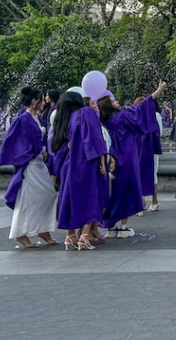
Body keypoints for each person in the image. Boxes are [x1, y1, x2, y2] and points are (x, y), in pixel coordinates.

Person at [96, 81, 166, 238]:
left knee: (113, 192)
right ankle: (123, 226)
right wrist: (158, 90)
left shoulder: (103, 121)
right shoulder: (123, 117)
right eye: (114, 101)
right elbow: (141, 107)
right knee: (127, 190)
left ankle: (110, 226)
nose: (117, 102)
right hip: (127, 157)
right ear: (109, 105)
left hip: (111, 159)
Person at [0, 87, 58, 249]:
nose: (45, 102)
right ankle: (21, 233)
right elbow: (17, 141)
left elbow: (42, 137)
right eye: (42, 99)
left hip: (39, 162)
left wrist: (44, 150)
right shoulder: (23, 119)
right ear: (34, 101)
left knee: (47, 194)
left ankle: (42, 228)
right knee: (28, 197)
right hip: (30, 163)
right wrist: (30, 153)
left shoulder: (38, 118)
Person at [51, 90, 108, 250]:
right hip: (85, 161)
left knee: (70, 198)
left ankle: (70, 236)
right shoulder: (85, 112)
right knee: (91, 197)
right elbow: (94, 138)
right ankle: (84, 235)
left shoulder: (63, 118)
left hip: (68, 162)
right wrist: (101, 160)